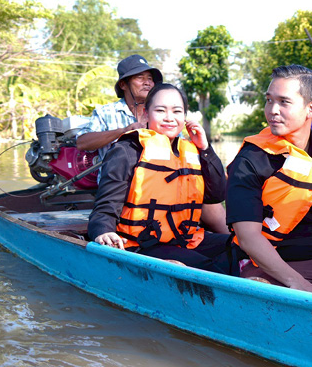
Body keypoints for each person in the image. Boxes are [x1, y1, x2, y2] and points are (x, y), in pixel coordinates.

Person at [227, 65, 312, 295]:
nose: (272, 110)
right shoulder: (249, 160)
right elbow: (248, 238)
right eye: (268, 100)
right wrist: (298, 283)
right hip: (274, 269)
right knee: (257, 288)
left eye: (284, 102)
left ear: (311, 108)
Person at [87, 83, 231, 273]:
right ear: (146, 114)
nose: (169, 118)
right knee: (207, 267)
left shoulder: (191, 150)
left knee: (243, 247)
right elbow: (106, 206)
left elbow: (216, 195)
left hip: (187, 238)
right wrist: (103, 231)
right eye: (160, 110)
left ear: (184, 117)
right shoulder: (127, 150)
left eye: (177, 111)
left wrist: (205, 150)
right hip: (143, 243)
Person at [76, 54, 162, 164]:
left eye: (150, 78)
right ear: (123, 85)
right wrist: (123, 131)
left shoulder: (161, 112)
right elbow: (82, 143)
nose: (147, 83)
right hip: (116, 181)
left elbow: (179, 146)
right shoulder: (106, 112)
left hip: (154, 180)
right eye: (140, 78)